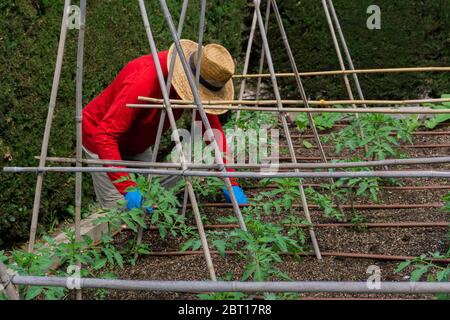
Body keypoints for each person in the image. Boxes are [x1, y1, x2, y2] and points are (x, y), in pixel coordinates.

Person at [82, 39, 248, 211]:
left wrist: (230, 179)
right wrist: (128, 189)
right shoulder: (145, 80)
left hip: (136, 143)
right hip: (101, 137)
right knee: (120, 212)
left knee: (154, 198)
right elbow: (105, 136)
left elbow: (210, 129)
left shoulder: (196, 80)